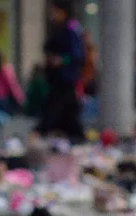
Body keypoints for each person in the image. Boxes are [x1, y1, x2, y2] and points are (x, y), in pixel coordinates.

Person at [40, 0, 86, 140]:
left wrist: (61, 60)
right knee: (67, 113)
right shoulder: (56, 28)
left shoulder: (71, 29)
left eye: (55, 11)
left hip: (65, 79)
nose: (52, 14)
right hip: (57, 79)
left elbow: (76, 55)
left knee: (57, 110)